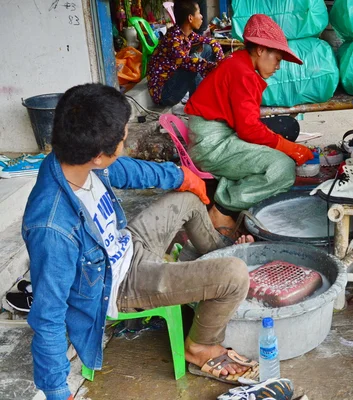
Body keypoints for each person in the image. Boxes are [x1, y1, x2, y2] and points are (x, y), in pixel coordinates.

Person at [24, 83, 259, 400]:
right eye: (123, 138)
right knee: (235, 273)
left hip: (126, 246)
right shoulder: (52, 227)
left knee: (189, 201)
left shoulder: (73, 159)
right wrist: (56, 391)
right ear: (97, 155)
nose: (126, 141)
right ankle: (200, 347)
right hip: (119, 285)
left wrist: (181, 176)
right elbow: (47, 316)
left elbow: (124, 169)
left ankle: (216, 257)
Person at [184, 14, 314, 238]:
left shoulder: (239, 62)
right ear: (261, 50)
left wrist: (279, 142)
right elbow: (248, 129)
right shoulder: (243, 72)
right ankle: (222, 210)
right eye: (277, 58)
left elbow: (247, 123)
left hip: (211, 134)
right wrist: (286, 148)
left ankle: (228, 193)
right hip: (212, 144)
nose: (278, 66)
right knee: (282, 168)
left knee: (284, 129)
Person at [147, 0, 224, 106]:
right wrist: (217, 67)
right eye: (199, 13)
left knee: (207, 49)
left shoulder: (186, 33)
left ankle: (209, 89)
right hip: (165, 94)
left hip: (174, 80)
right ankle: (198, 105)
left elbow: (211, 41)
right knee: (192, 67)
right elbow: (188, 63)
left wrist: (220, 59)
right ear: (190, 18)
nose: (202, 17)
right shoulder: (173, 39)